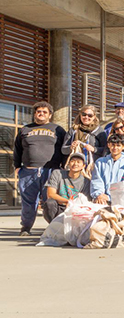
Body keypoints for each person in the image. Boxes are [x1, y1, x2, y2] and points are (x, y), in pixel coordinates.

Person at [14, 101, 67, 235]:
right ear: (35, 114)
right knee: (28, 203)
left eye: (44, 112)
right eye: (39, 112)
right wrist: (17, 166)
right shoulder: (24, 130)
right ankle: (25, 227)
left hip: (50, 171)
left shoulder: (58, 130)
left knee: (51, 201)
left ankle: (54, 228)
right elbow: (17, 149)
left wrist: (63, 167)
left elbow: (64, 150)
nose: (41, 114)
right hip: (28, 171)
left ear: (50, 115)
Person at [43, 153, 90, 223]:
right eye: (73, 161)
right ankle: (54, 225)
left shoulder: (86, 182)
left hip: (75, 210)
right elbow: (50, 194)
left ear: (83, 166)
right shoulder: (57, 173)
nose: (75, 164)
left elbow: (84, 202)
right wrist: (67, 201)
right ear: (68, 163)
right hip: (59, 207)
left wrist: (72, 205)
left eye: (78, 162)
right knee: (50, 203)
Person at [90, 133, 124, 205]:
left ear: (123, 146)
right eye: (113, 145)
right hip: (102, 200)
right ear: (108, 145)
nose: (115, 148)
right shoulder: (100, 162)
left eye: (118, 145)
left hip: (121, 200)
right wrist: (99, 194)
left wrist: (110, 197)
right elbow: (96, 180)